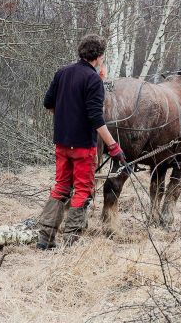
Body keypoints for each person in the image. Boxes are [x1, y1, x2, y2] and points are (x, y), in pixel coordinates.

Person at [36, 34, 127, 249]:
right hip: (83, 147)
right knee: (83, 191)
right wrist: (114, 147)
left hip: (61, 143)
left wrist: (67, 116)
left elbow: (48, 103)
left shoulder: (62, 72)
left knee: (60, 187)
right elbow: (96, 118)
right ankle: (71, 242)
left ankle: (45, 240)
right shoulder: (93, 79)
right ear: (99, 56)